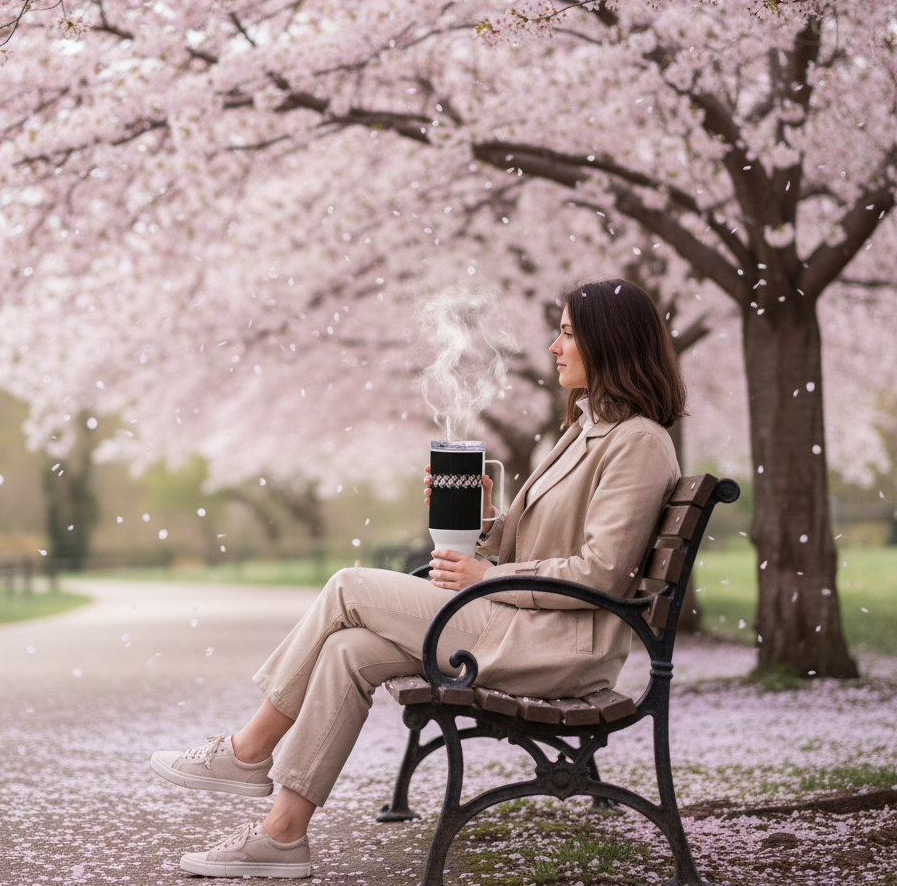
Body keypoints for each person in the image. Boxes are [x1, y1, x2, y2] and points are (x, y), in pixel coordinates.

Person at [151, 278, 685, 878]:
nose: (555, 346)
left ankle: (249, 752)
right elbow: (530, 543)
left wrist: (490, 572)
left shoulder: (639, 442)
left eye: (566, 332)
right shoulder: (586, 429)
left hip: (557, 644)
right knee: (350, 650)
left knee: (348, 586)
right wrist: (483, 520)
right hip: (521, 620)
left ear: (608, 341)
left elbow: (603, 573)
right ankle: (282, 835)